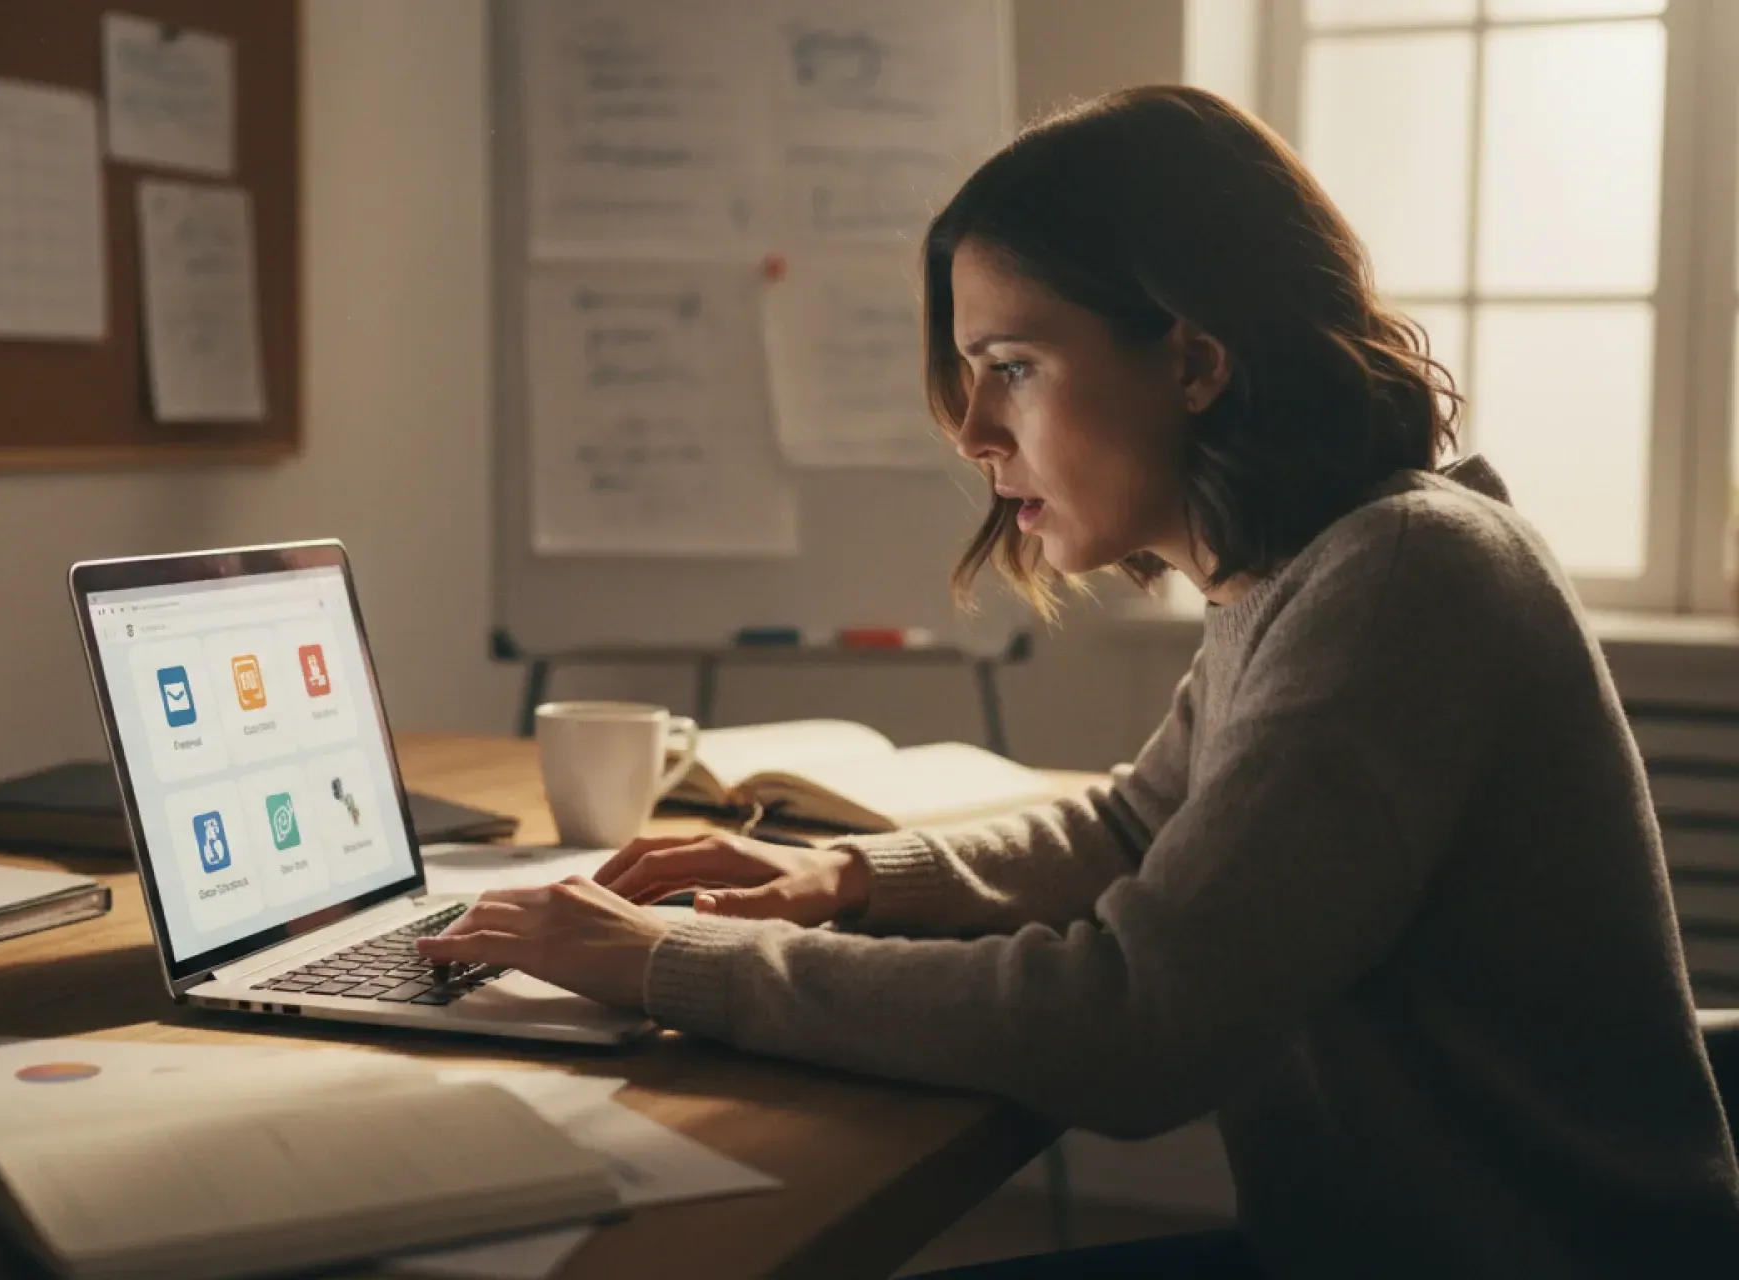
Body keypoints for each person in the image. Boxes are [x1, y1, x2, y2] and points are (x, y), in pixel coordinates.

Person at [419, 86, 1739, 1277]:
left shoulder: (1398, 579)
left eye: (1015, 368)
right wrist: (851, 880)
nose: (978, 432)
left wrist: (679, 961)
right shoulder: (1311, 568)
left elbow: (1131, 1021)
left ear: (1193, 358)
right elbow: (1134, 824)